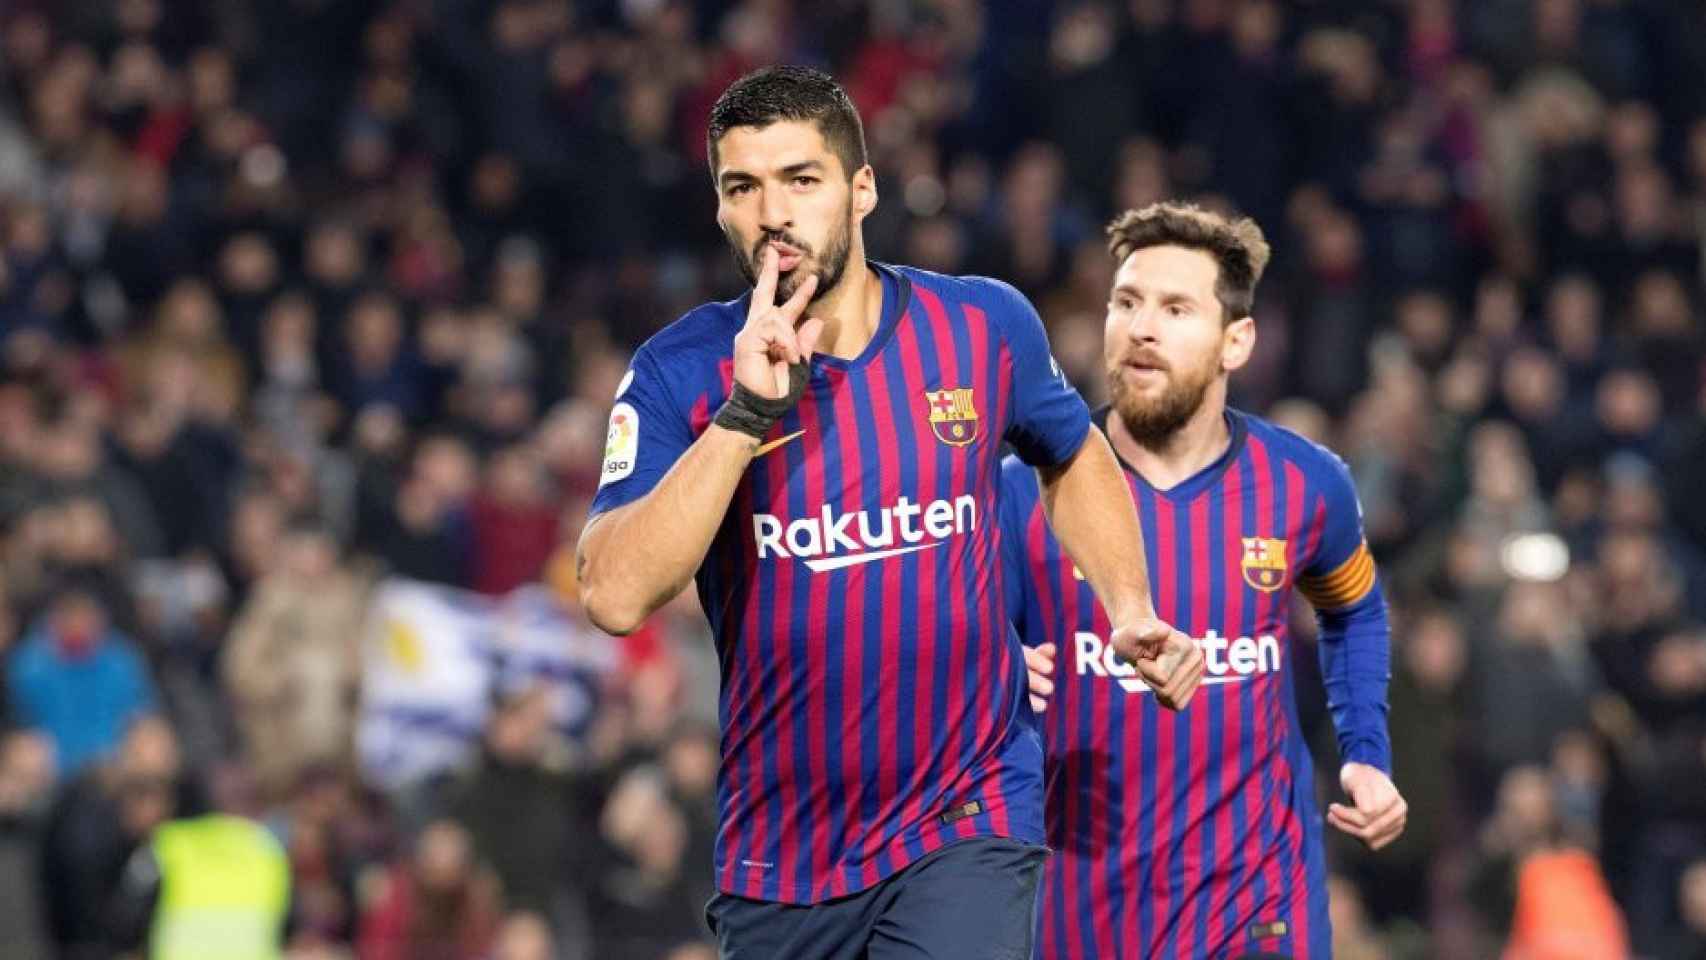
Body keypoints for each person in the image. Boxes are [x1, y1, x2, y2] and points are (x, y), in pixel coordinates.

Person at [575, 65, 1201, 960]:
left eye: (801, 179)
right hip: (782, 858)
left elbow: (1071, 453)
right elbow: (614, 594)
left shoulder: (981, 327)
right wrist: (745, 416)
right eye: (742, 187)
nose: (772, 213)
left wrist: (1130, 605)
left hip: (966, 816)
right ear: (719, 210)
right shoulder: (678, 372)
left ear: (861, 188)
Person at [1005, 202, 1406, 959]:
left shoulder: (1307, 485)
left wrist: (1365, 750)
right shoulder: (1021, 491)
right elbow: (950, 652)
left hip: (1256, 902)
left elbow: (1354, 613)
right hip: (1076, 909)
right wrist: (995, 672)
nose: (1141, 327)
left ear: (1237, 341)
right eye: (1126, 303)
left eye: (1175, 308)